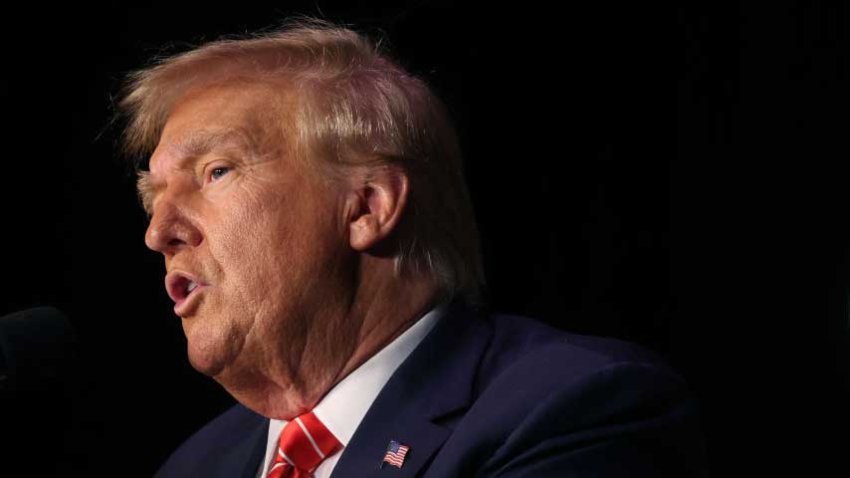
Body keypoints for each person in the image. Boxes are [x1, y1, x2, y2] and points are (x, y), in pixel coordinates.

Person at [120, 19, 708, 477]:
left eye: (216, 172)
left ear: (368, 207)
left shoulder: (572, 409)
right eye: (153, 199)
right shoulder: (196, 465)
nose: (159, 232)